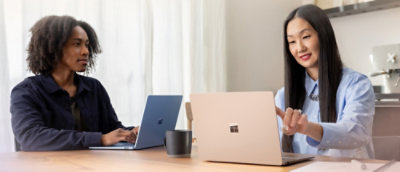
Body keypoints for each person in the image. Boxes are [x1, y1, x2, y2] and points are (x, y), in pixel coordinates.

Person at [10, 15, 139, 151]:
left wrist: (132, 132)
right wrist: (100, 139)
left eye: (87, 45)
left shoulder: (94, 87)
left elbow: (110, 129)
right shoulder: (26, 91)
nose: (86, 51)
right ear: (54, 47)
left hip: (90, 166)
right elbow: (31, 137)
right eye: (77, 44)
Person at [275, 4, 375, 159]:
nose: (300, 48)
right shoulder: (283, 95)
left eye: (306, 37)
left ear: (324, 35)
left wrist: (307, 128)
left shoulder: (356, 84)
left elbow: (356, 132)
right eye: (292, 42)